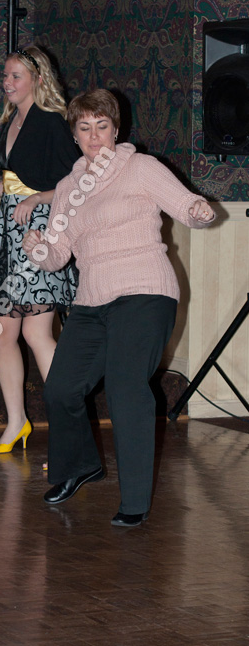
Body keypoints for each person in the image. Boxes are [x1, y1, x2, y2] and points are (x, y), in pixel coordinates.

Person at [23, 88, 215, 527]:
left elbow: (185, 205)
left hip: (145, 291)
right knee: (60, 389)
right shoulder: (68, 189)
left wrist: (199, 212)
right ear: (74, 135)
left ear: (116, 130)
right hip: (92, 300)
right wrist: (38, 248)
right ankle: (81, 466)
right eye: (84, 128)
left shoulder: (141, 168)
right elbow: (57, 255)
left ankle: (134, 502)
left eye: (102, 126)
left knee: (126, 387)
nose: (94, 136)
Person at [0, 46, 79, 454]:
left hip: (39, 232)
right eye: (5, 75)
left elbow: (75, 185)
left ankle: (68, 431)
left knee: (36, 332)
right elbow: (16, 180)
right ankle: (16, 423)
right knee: (3, 333)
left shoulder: (51, 121)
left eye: (16, 76)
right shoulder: (13, 119)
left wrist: (37, 200)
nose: (7, 83)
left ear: (38, 79)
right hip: (11, 231)